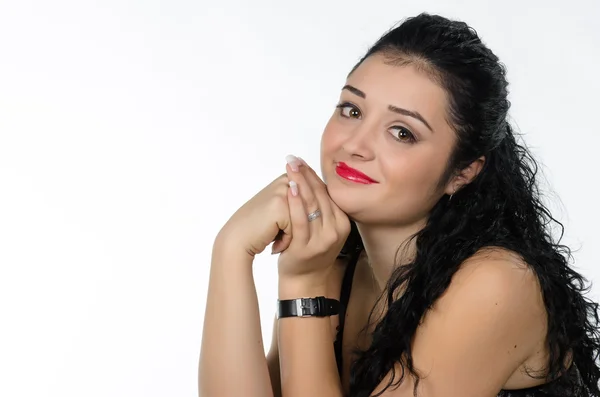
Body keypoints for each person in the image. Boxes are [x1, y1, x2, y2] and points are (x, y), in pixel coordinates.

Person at [198, 13, 600, 397]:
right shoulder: (334, 259)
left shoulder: (496, 283)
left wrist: (303, 287)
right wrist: (231, 250)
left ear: (463, 172)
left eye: (401, 132)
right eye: (352, 110)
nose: (354, 145)